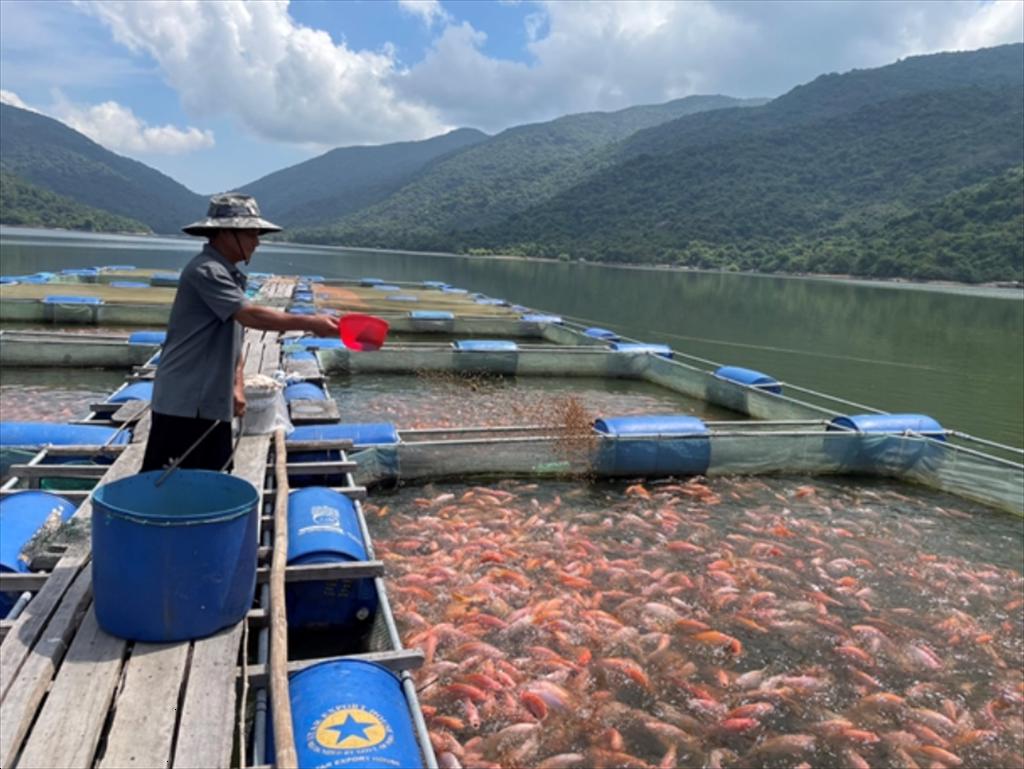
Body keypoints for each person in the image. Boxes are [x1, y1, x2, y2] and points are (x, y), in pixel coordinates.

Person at [140, 193, 338, 473]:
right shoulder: (207, 271)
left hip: (211, 399)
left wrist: (236, 384)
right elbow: (250, 315)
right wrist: (311, 322)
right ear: (224, 233)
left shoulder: (226, 272)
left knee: (214, 476)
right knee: (168, 480)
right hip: (186, 401)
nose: (257, 242)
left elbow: (234, 332)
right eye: (251, 234)